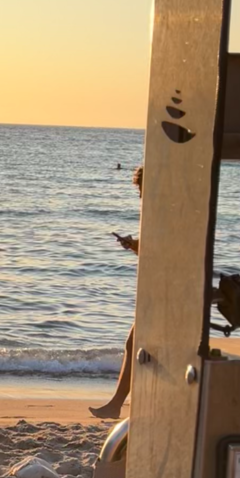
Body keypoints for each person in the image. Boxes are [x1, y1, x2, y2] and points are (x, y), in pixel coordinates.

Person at [89, 166, 143, 420]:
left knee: (134, 344)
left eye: (142, 190)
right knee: (135, 345)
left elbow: (166, 255)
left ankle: (116, 405)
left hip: (166, 295)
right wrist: (135, 246)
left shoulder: (164, 213)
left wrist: (136, 245)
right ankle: (117, 404)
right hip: (161, 293)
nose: (141, 196)